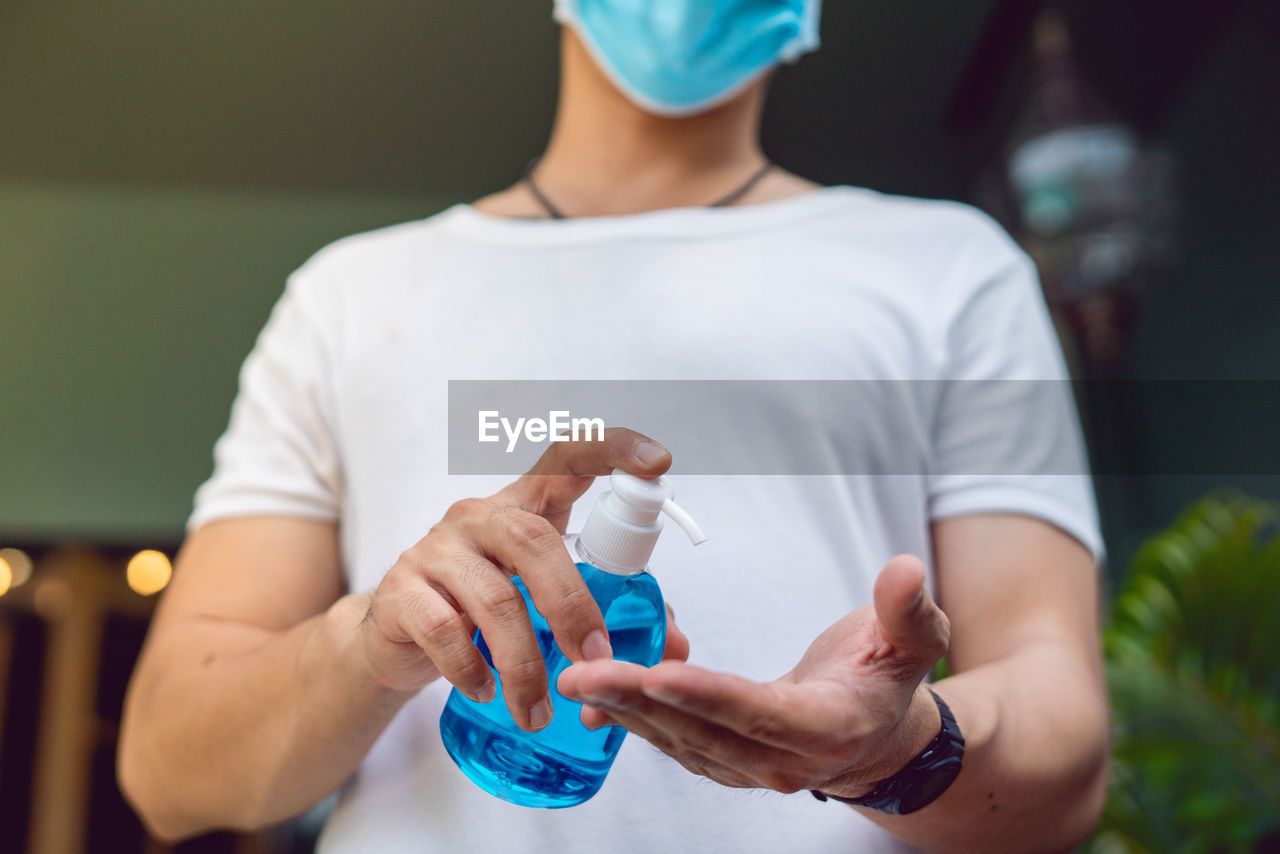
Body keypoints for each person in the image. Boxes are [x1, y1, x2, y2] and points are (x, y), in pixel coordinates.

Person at [118, 2, 1110, 852]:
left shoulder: (948, 272)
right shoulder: (348, 296)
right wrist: (371, 639)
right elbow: (167, 763)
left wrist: (890, 751)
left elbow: (1065, 744)